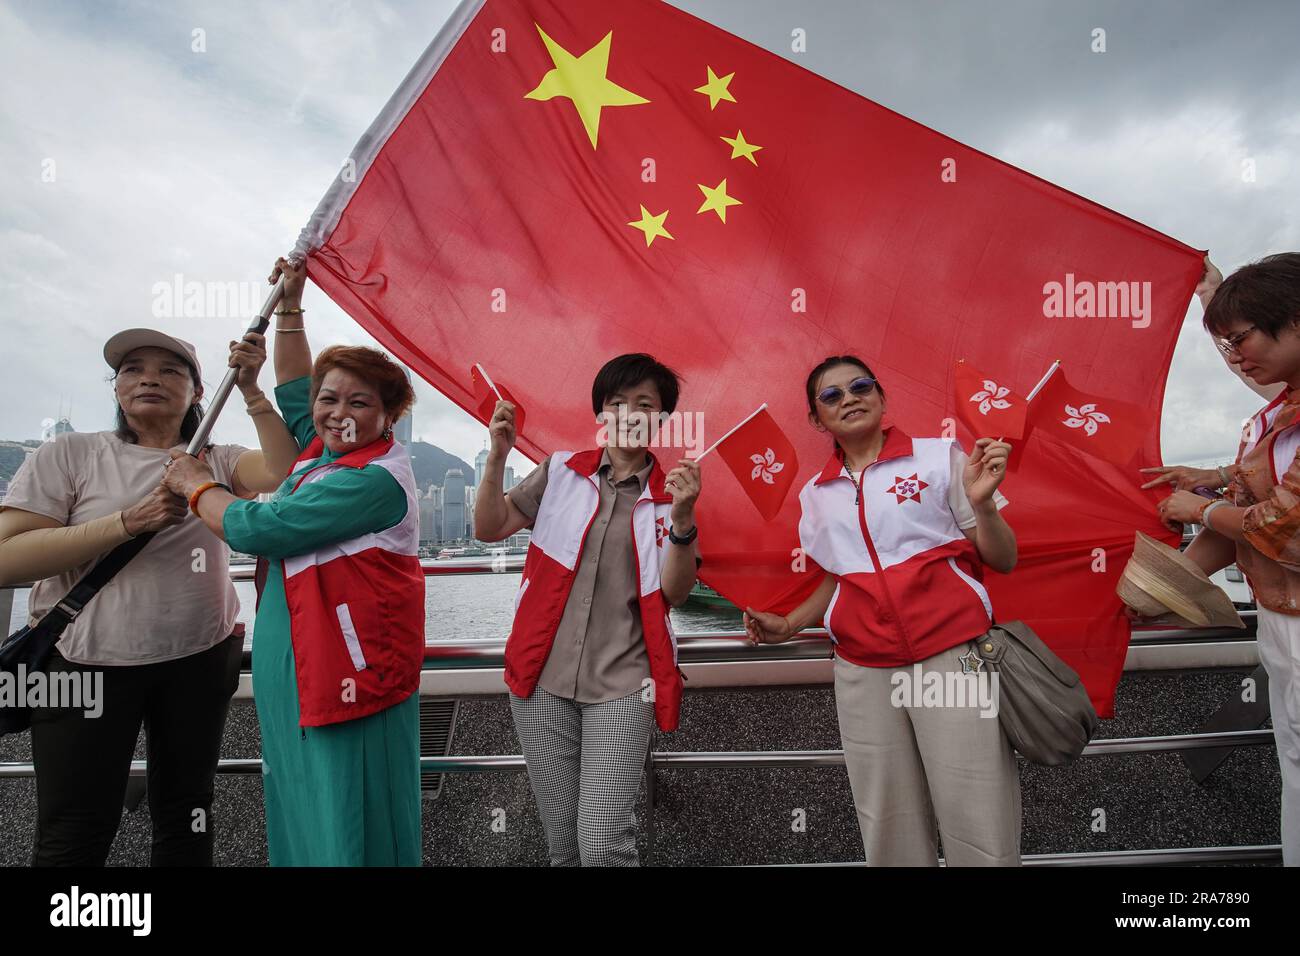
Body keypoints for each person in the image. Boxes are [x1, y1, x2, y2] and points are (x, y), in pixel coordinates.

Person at [158, 256, 425, 866]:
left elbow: (261, 526)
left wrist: (197, 485)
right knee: (299, 792)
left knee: (350, 799)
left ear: (388, 416)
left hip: (350, 664)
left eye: (360, 403)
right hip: (297, 655)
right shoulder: (326, 448)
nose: (337, 412)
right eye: (329, 399)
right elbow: (293, 385)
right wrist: (289, 305)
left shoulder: (375, 478)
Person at [0, 327, 299, 865]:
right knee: (75, 826)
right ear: (115, 388)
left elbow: (283, 467)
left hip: (198, 659)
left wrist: (253, 390)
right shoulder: (70, 454)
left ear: (197, 392)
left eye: (170, 370)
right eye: (133, 369)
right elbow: (6, 559)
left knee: (187, 812)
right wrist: (126, 522)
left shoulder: (218, 460)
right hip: (81, 666)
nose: (149, 379)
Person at [743, 355, 1020, 866]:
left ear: (881, 396)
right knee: (887, 820)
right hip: (863, 669)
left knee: (977, 809)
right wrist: (790, 623)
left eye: (861, 386)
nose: (849, 398)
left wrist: (982, 505)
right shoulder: (815, 495)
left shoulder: (941, 459)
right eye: (831, 395)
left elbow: (1003, 559)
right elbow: (838, 576)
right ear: (816, 418)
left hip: (949, 655)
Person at [474, 353, 702, 866]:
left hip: (624, 685)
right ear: (601, 413)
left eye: (645, 404)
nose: (629, 413)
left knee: (602, 846)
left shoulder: (672, 497)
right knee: (562, 846)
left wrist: (684, 520)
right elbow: (490, 527)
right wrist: (496, 455)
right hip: (541, 680)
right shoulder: (560, 472)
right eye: (617, 402)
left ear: (663, 419)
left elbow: (675, 592)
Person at [1142, 253, 1300, 866]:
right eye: (1225, 344)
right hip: (1282, 623)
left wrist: (1202, 508)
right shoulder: (1277, 414)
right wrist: (1216, 481)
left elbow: (1287, 530)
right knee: (1293, 768)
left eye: (1241, 340)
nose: (1234, 358)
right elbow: (1259, 499)